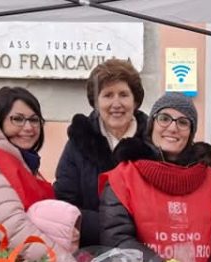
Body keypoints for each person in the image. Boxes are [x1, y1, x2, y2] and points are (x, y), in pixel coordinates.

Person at [100, 93, 211, 262]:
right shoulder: (123, 177)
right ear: (152, 124)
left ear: (191, 133)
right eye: (164, 118)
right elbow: (117, 238)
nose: (173, 128)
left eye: (183, 122)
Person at [0, 87, 80, 258]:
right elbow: (14, 230)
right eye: (17, 119)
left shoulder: (22, 160)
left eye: (34, 120)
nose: (28, 127)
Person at [54, 59, 149, 247]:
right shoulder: (79, 142)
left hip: (144, 252)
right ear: (96, 103)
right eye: (107, 95)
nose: (116, 103)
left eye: (123, 94)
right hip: (90, 251)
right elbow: (65, 202)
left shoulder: (152, 140)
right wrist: (107, 229)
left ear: (135, 100)